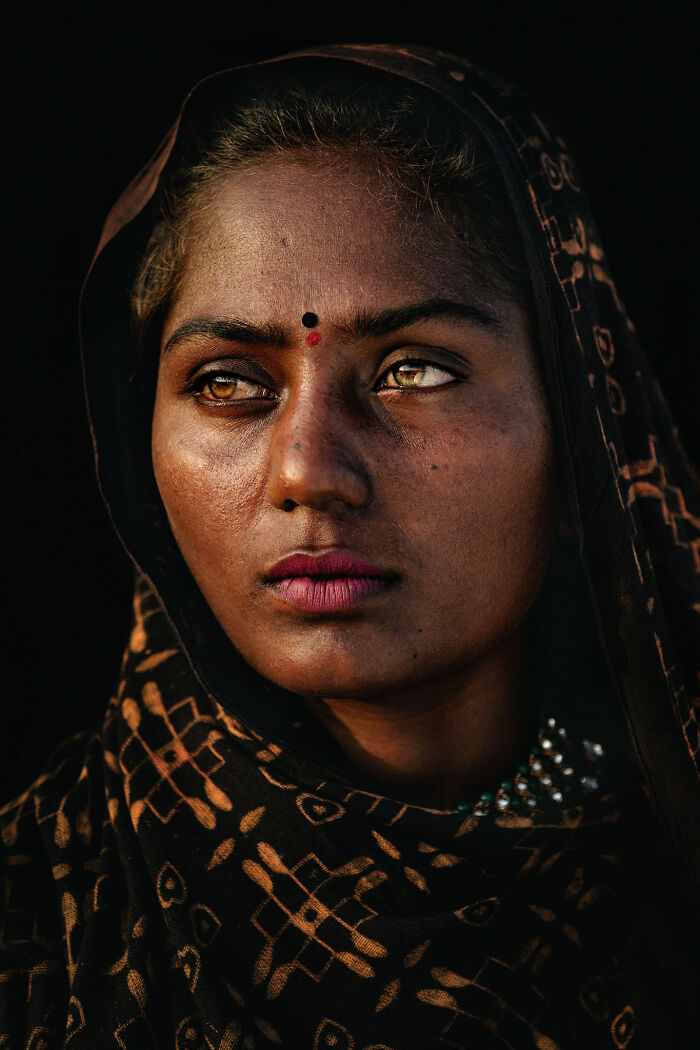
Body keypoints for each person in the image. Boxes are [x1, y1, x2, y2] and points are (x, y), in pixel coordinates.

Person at [1, 43, 698, 1049]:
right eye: (228, 381)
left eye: (415, 371)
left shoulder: (669, 884)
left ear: (584, 427)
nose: (309, 472)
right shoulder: (49, 922)